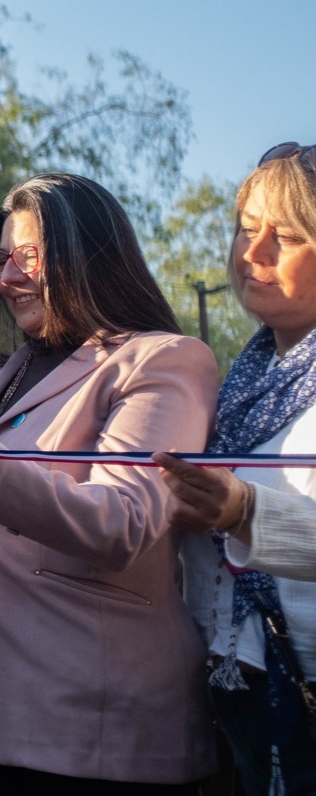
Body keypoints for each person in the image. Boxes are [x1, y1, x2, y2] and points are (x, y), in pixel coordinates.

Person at [0, 173, 219, 793]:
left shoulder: (163, 360)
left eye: (28, 256)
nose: (6, 279)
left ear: (91, 254)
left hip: (104, 736)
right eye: (0, 260)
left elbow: (124, 521)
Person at [155, 142, 316, 794]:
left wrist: (246, 510)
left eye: (286, 237)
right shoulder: (243, 384)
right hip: (238, 688)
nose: (252, 254)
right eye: (248, 229)